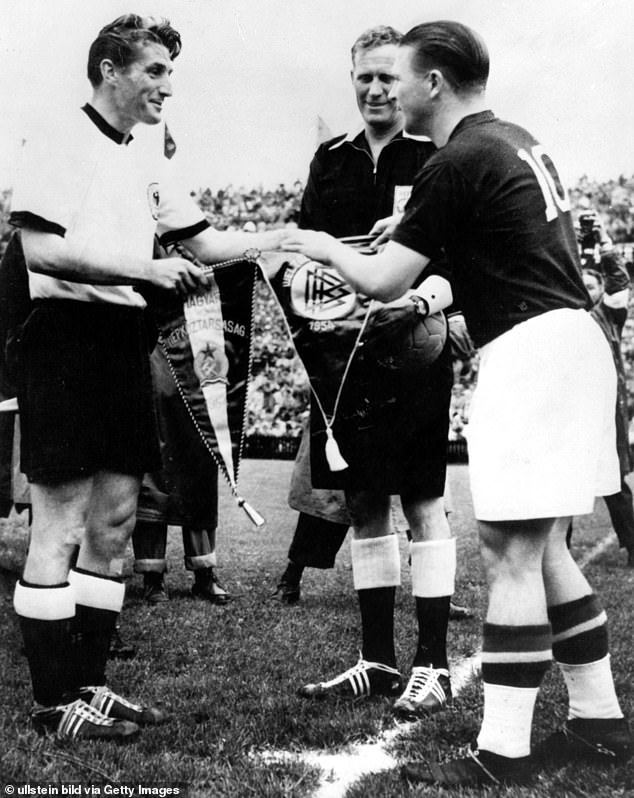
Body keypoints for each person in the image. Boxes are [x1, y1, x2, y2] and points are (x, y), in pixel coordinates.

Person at [281, 20, 631, 787]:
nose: (391, 91)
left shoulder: (454, 157)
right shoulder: (510, 138)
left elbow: (381, 283)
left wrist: (321, 245)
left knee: (510, 553)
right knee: (546, 551)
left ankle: (503, 749)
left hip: (531, 353)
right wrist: (404, 229)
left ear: (433, 82)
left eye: (400, 77)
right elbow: (487, 240)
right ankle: (600, 720)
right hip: (573, 345)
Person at [10, 13, 283, 743]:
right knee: (61, 523)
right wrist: (144, 268)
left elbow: (207, 241)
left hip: (121, 339)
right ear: (109, 69)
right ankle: (52, 702)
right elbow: (41, 251)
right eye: (154, 70)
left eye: (170, 72)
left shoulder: (148, 154)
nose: (167, 86)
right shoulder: (58, 137)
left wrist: (289, 237)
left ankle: (91, 686)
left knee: (116, 523)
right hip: (63, 341)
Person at [274, 26, 459, 722]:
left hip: (411, 340)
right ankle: (377, 660)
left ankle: (434, 664)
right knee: (362, 502)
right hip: (338, 351)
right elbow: (304, 247)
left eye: (389, 77)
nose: (377, 90)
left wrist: (421, 299)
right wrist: (299, 282)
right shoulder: (331, 159)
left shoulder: (438, 153)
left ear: (410, 79)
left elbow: (455, 253)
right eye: (365, 78)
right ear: (350, 79)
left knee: (420, 498)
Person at [132, 345, 231, 606]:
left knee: (199, 470)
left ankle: (204, 573)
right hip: (154, 349)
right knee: (152, 473)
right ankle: (152, 576)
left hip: (195, 347)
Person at [575, 216, 634, 566]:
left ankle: (632, 544)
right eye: (582, 285)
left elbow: (618, 279)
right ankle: (555, 551)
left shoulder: (609, 315)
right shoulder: (566, 312)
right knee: (561, 478)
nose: (589, 291)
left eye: (594, 286)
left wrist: (603, 243)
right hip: (573, 406)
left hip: (606, 408)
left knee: (613, 483)